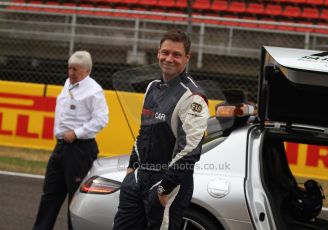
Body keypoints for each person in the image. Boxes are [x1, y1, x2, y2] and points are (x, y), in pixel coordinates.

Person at [113, 30, 210, 230]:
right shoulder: (152, 87)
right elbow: (143, 133)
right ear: (158, 53)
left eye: (176, 54)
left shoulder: (193, 97)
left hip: (167, 184)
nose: (169, 58)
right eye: (165, 52)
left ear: (187, 58)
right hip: (139, 178)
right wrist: (132, 169)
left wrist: (164, 187)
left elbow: (190, 150)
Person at [33, 50, 109, 230]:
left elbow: (102, 120)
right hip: (61, 147)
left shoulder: (94, 91)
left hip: (80, 149)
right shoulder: (68, 83)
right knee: (50, 192)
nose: (71, 73)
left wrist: (77, 133)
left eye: (76, 69)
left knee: (76, 198)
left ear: (87, 71)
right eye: (69, 68)